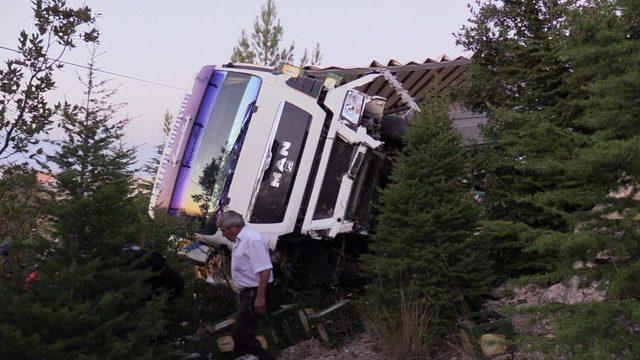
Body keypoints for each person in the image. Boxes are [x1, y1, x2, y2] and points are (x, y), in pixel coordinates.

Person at [216, 210, 274, 360]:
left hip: (255, 292)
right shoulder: (239, 241)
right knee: (240, 335)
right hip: (246, 294)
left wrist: (260, 297)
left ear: (233, 227)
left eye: (223, 230)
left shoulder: (252, 239)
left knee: (241, 334)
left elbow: (265, 270)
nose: (223, 234)